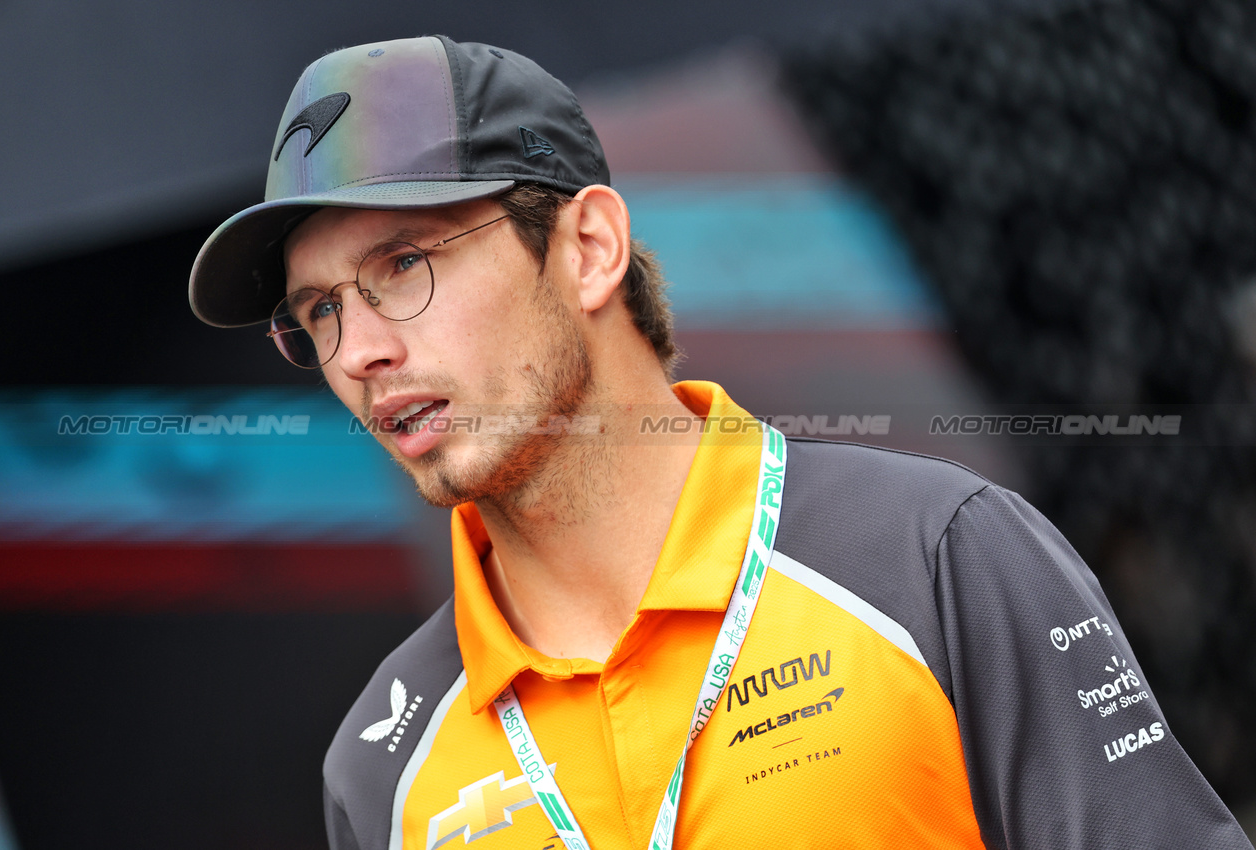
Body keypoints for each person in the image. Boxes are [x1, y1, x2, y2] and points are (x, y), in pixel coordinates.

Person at [189, 35, 1252, 850]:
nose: (360, 349)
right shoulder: (383, 761)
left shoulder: (934, 553)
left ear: (590, 247)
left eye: (404, 265)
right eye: (319, 311)